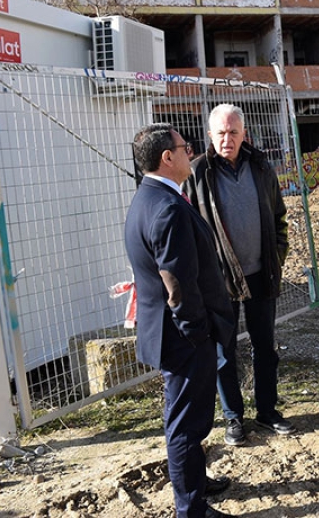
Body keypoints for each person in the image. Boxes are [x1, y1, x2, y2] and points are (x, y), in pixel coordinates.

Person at [124, 124, 237, 518]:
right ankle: (191, 508)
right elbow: (179, 285)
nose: (191, 152)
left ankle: (197, 483)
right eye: (184, 147)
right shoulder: (167, 207)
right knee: (186, 426)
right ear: (167, 158)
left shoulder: (150, 196)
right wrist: (198, 333)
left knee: (190, 418)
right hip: (183, 338)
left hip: (173, 334)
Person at [184, 103, 293, 447]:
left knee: (265, 348)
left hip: (262, 274)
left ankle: (267, 411)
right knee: (223, 353)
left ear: (244, 133)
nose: (227, 139)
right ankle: (234, 418)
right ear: (210, 136)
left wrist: (277, 254)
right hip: (218, 281)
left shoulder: (261, 167)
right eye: (221, 133)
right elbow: (186, 227)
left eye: (233, 132)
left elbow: (279, 217)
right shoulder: (197, 173)